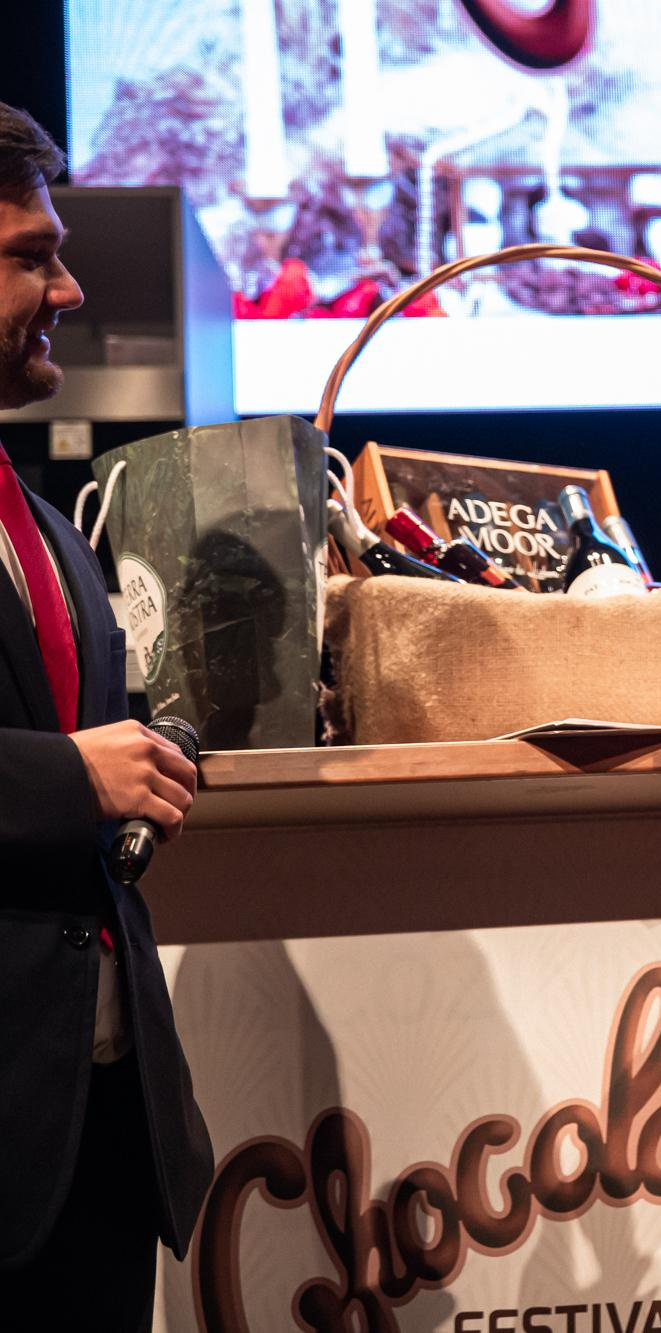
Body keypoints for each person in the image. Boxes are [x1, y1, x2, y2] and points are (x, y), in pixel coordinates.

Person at [0, 102, 213, 1327]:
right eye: (33, 254)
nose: (71, 287)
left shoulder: (30, 504)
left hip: (86, 1137)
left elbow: (84, 723)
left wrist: (150, 753)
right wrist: (72, 778)